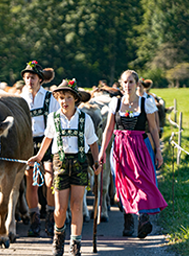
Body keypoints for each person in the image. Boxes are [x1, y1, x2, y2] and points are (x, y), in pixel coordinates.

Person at [27, 78, 101, 256]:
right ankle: (58, 238)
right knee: (60, 208)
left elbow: (93, 143)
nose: (64, 101)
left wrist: (96, 162)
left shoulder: (85, 119)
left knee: (76, 205)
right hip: (59, 163)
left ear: (75, 99)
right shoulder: (53, 118)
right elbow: (48, 138)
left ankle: (75, 243)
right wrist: (38, 156)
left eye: (68, 97)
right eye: (61, 98)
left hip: (80, 163)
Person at [99, 70, 167, 239]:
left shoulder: (146, 103)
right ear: (121, 84)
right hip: (120, 148)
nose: (127, 85)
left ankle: (143, 218)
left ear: (137, 84)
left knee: (142, 183)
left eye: (131, 82)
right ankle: (128, 219)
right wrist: (102, 152)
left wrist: (158, 150)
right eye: (125, 82)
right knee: (124, 186)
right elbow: (108, 129)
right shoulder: (115, 103)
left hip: (140, 147)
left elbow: (152, 128)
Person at [20, 60, 59, 237]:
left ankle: (51, 218)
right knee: (32, 183)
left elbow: (56, 123)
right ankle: (34, 220)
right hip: (29, 143)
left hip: (48, 141)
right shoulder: (21, 98)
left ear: (40, 80)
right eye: (27, 78)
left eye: (33, 77)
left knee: (50, 181)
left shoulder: (50, 98)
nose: (30, 81)